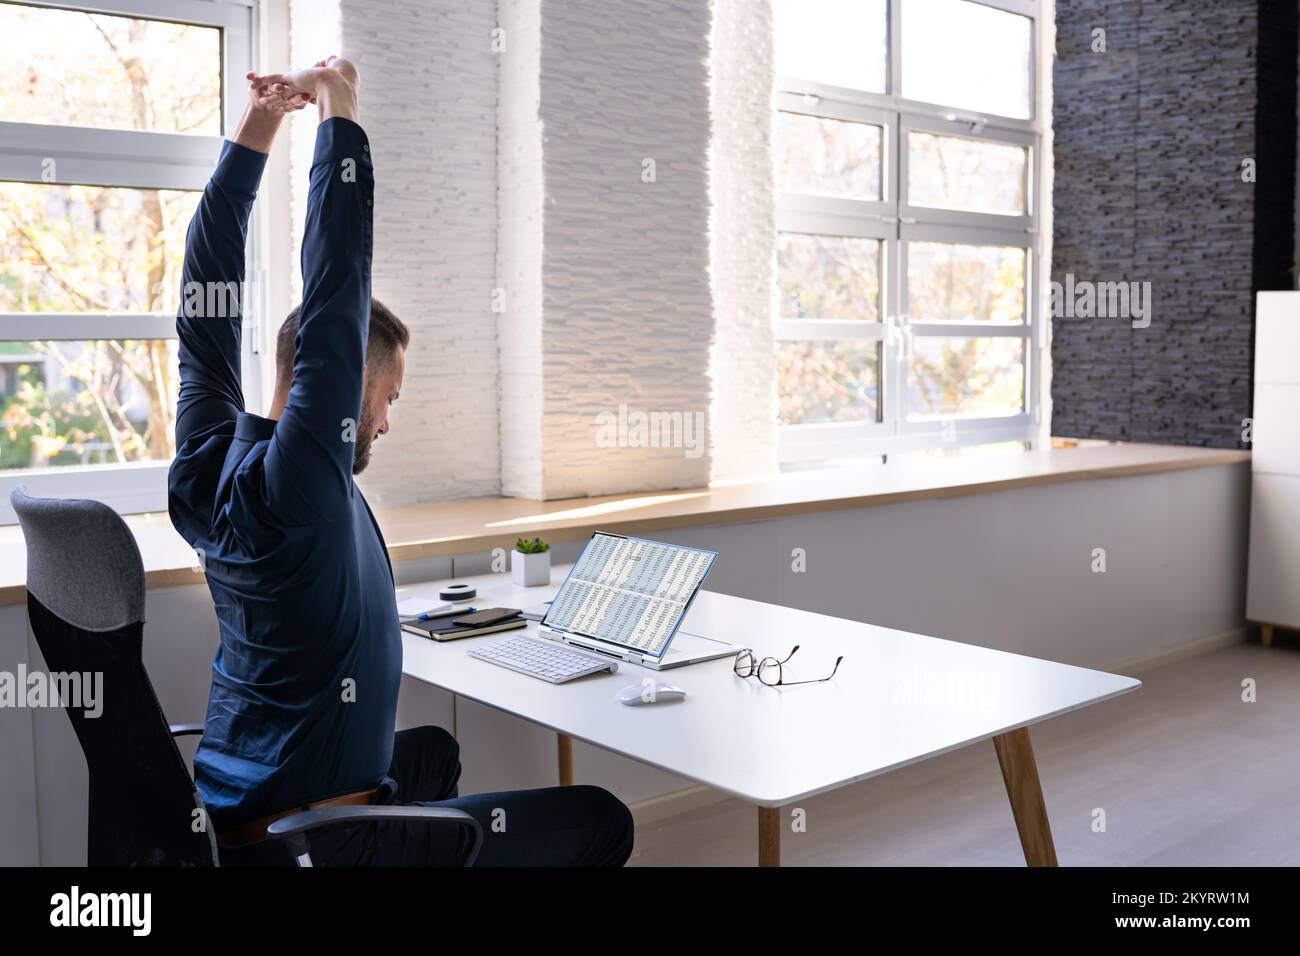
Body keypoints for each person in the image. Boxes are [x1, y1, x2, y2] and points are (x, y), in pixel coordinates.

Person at [168, 56, 633, 866]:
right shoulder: (302, 479)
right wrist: (337, 113)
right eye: (388, 396)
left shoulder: (209, 458)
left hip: (244, 821)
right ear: (345, 385)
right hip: (319, 843)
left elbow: (205, 286)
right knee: (600, 817)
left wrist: (261, 124)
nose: (386, 421)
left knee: (427, 755)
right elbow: (337, 275)